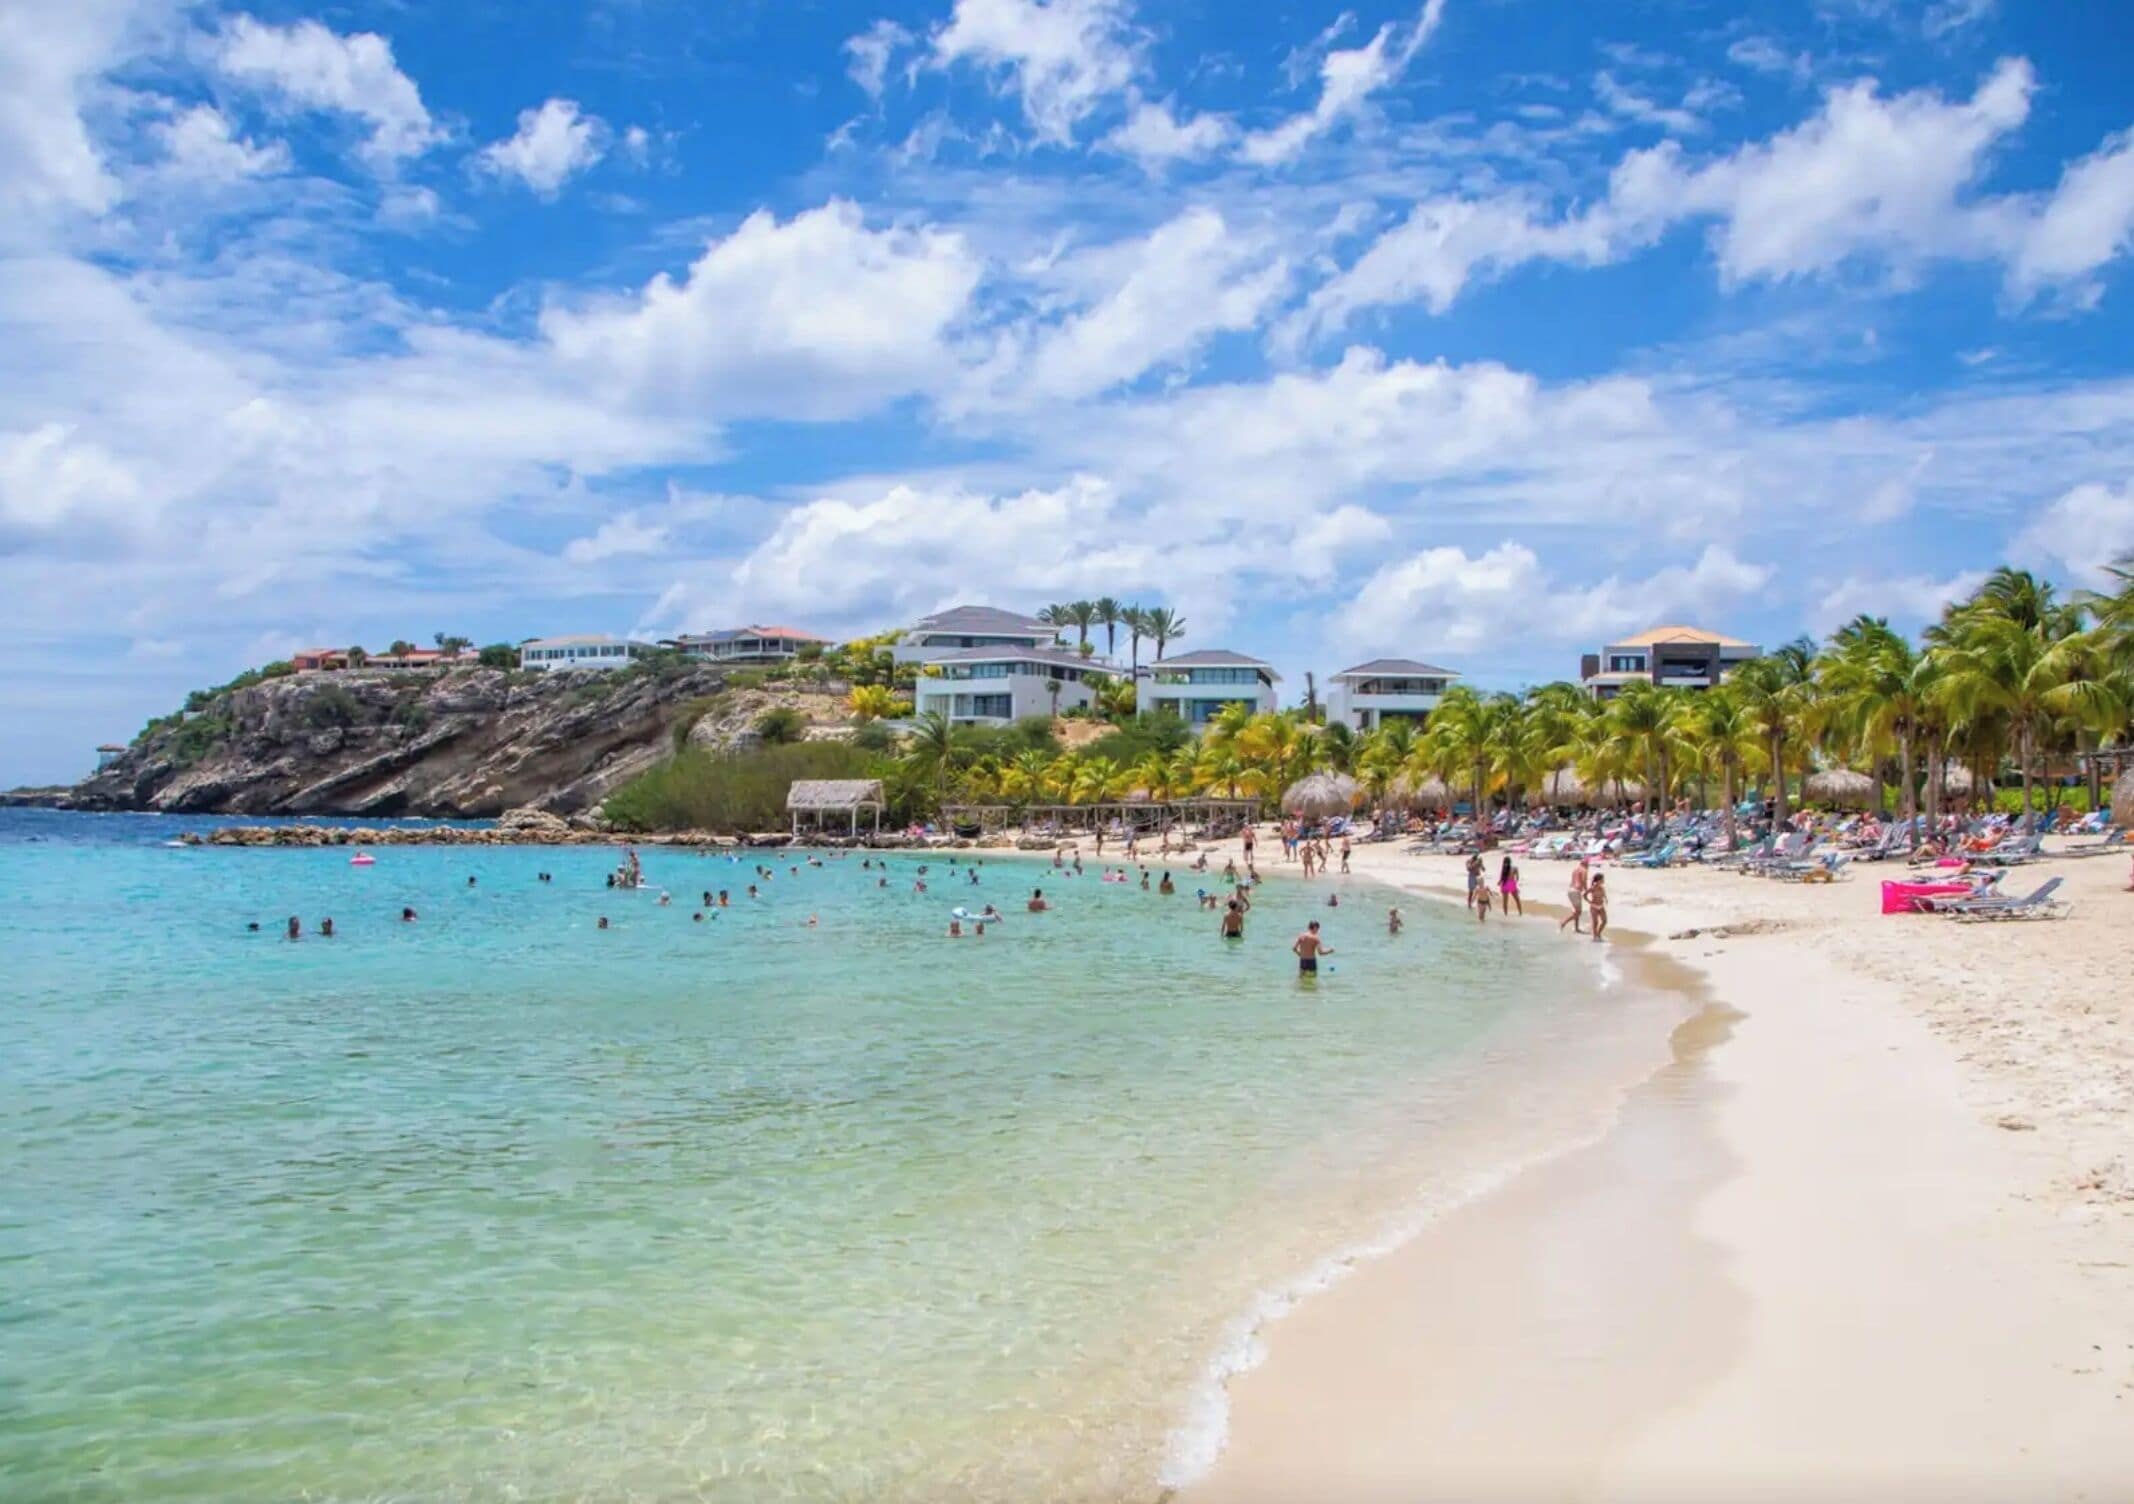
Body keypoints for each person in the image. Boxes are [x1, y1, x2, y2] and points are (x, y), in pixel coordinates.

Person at [1560, 858, 1589, 934]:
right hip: (1576, 891)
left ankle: (1576, 928)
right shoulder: (1584, 870)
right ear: (1586, 864)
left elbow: (1573, 881)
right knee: (1578, 912)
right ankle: (1564, 922)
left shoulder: (1575, 870)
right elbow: (1583, 881)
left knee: (1576, 911)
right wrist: (1587, 891)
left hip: (1570, 890)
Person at [1587, 873, 1609, 941]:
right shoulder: (1592, 888)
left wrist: (1606, 899)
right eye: (1603, 879)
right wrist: (1590, 902)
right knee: (1595, 922)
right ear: (1599, 880)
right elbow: (1584, 895)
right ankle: (1594, 936)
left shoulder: (1602, 887)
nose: (1604, 880)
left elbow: (1604, 895)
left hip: (1601, 906)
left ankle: (1599, 934)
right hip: (1594, 906)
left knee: (1604, 921)